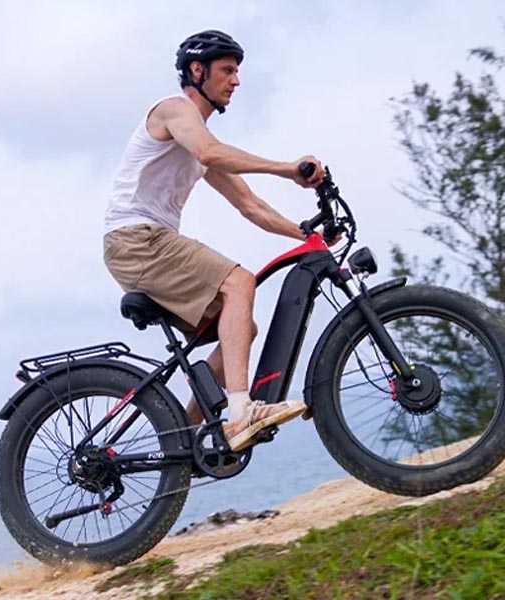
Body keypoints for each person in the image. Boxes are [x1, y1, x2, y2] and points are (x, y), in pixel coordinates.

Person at [103, 30, 325, 452]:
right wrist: (287, 168)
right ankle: (241, 414)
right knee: (240, 282)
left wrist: (307, 234)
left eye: (237, 71)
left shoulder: (197, 140)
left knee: (241, 326)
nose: (236, 81)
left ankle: (182, 439)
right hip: (137, 239)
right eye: (227, 70)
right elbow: (209, 153)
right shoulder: (174, 111)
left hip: (145, 243)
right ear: (197, 71)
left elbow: (250, 207)